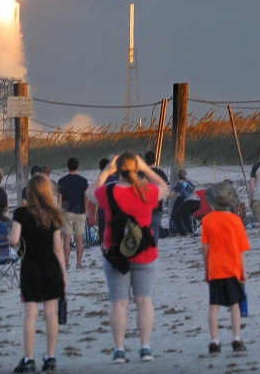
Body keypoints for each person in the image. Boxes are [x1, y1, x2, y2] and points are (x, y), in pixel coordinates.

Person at [88, 152, 167, 364]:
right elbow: (165, 187)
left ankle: (119, 350)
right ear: (136, 168)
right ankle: (145, 348)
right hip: (145, 252)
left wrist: (106, 171)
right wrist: (146, 168)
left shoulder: (108, 191)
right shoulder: (147, 190)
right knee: (144, 301)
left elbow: (90, 192)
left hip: (116, 252)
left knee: (119, 303)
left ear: (118, 170)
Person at [9, 174, 67, 373]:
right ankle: (50, 358)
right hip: (51, 267)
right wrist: (64, 274)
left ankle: (29, 359)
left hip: (30, 268)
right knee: (51, 314)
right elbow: (58, 247)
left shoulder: (21, 213)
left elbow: (14, 240)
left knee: (30, 315)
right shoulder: (54, 214)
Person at [201, 181, 251, 354]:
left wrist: (207, 270)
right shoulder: (236, 221)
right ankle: (236, 338)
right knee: (235, 304)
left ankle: (214, 341)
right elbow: (241, 250)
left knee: (213, 305)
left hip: (215, 268)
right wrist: (243, 272)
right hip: (233, 268)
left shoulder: (207, 220)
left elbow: (205, 249)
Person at [57, 158, 89, 270]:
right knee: (79, 239)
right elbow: (86, 196)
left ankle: (66, 264)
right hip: (80, 212)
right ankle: (79, 264)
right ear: (78, 166)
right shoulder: (83, 181)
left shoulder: (62, 181)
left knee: (67, 239)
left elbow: (59, 198)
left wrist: (60, 210)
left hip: (67, 212)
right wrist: (86, 209)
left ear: (67, 166)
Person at [167, 169, 200, 237]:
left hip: (190, 202)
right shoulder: (190, 183)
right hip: (198, 202)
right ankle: (190, 232)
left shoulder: (178, 183)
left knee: (176, 216)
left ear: (178, 176)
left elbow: (171, 195)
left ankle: (183, 233)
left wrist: (166, 201)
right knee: (185, 215)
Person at [144, 152, 169, 239]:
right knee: (156, 230)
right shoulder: (160, 173)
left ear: (145, 161)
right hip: (158, 204)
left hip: (145, 205)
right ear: (155, 160)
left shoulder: (142, 173)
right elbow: (166, 187)